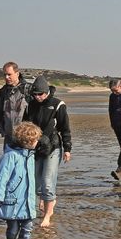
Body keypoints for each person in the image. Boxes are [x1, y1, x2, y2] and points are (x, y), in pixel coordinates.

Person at [0, 121, 42, 239]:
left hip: (28, 199)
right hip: (13, 199)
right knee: (13, 228)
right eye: (35, 140)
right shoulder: (10, 156)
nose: (37, 142)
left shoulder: (30, 156)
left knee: (27, 226)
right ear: (28, 141)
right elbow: (0, 177)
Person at [24, 75, 72, 228]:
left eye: (40, 94)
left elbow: (65, 128)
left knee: (47, 183)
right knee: (35, 183)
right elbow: (25, 127)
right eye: (35, 94)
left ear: (47, 92)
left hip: (53, 147)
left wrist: (67, 149)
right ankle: (46, 201)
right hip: (36, 148)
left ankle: (47, 215)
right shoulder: (30, 106)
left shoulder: (58, 105)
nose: (38, 97)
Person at [0, 61, 32, 149]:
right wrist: (1, 129)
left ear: (17, 74)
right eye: (5, 75)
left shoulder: (29, 90)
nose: (6, 77)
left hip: (27, 138)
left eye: (9, 74)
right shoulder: (2, 92)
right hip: (9, 138)